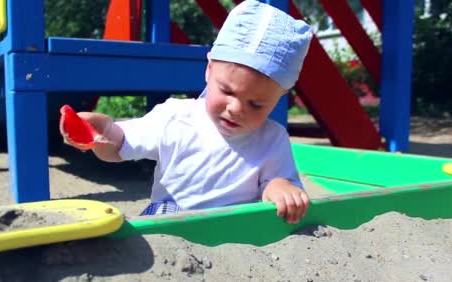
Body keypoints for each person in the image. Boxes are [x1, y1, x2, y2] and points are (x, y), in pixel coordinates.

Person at [60, 0, 313, 223]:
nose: (236, 108)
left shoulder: (273, 139)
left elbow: (277, 185)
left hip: (235, 230)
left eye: (256, 104)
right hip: (171, 219)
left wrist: (279, 187)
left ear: (279, 97)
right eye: (227, 91)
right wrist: (102, 129)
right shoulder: (175, 116)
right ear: (209, 70)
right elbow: (118, 145)